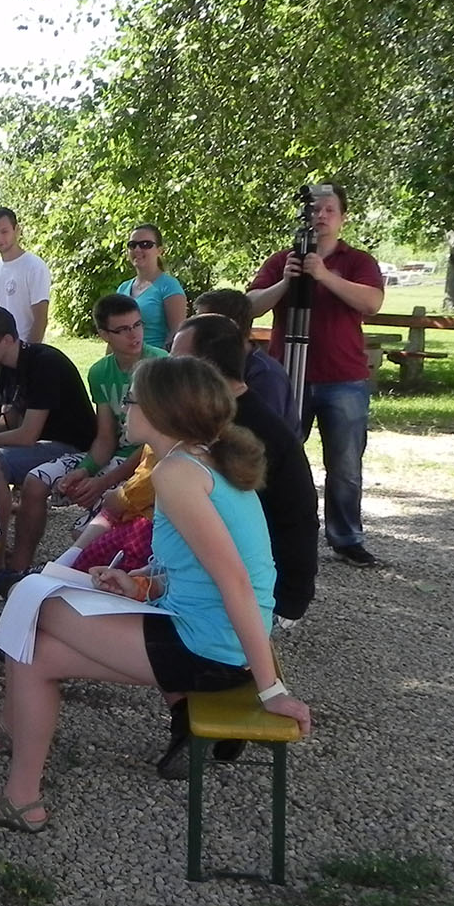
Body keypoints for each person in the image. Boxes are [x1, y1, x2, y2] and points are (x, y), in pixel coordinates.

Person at [0, 356, 312, 830]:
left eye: (132, 399)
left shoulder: (178, 473)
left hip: (208, 646)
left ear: (162, 411)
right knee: (34, 651)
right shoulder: (193, 460)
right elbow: (195, 570)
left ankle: (8, 732)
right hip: (204, 632)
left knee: (30, 598)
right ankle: (21, 797)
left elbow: (236, 581)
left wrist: (272, 689)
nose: (124, 407)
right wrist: (141, 582)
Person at [247, 183, 386, 567]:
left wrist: (323, 275)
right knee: (278, 456)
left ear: (342, 217)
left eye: (329, 210)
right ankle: (272, 532)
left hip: (343, 378)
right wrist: (286, 282)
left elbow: (371, 302)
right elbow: (250, 306)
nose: (320, 216)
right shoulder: (282, 260)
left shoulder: (357, 261)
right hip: (287, 377)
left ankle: (346, 538)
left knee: (345, 464)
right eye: (314, 209)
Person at [172, 314, 318, 626]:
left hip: (270, 594)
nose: (169, 372)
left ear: (206, 367)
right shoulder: (230, 414)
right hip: (256, 579)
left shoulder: (242, 430)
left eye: (178, 362)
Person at [0, 306, 97, 597]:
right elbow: (10, 421)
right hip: (46, 444)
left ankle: (3, 566)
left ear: (8, 340)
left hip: (75, 448)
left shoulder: (43, 364)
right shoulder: (7, 367)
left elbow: (27, 435)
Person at [52, 293, 169, 522]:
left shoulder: (161, 365)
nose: (134, 334)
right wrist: (85, 469)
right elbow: (106, 437)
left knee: (88, 528)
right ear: (104, 335)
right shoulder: (99, 372)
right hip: (116, 457)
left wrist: (103, 482)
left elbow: (157, 442)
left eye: (137, 325)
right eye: (123, 329)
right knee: (37, 482)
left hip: (148, 461)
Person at [196, 287, 298, 431]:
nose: (193, 328)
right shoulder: (216, 362)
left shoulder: (265, 375)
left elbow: (264, 434)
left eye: (202, 323)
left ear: (227, 327)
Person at [0, 207, 50, 344]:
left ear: (17, 230)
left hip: (22, 348)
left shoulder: (34, 266)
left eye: (4, 232)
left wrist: (29, 352)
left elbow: (40, 319)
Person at [118, 223, 188, 350]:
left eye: (145, 244)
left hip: (157, 360)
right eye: (132, 245)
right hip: (124, 359)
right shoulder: (123, 288)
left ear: (159, 250)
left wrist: (159, 359)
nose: (137, 250)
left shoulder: (169, 286)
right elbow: (114, 333)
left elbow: (177, 334)